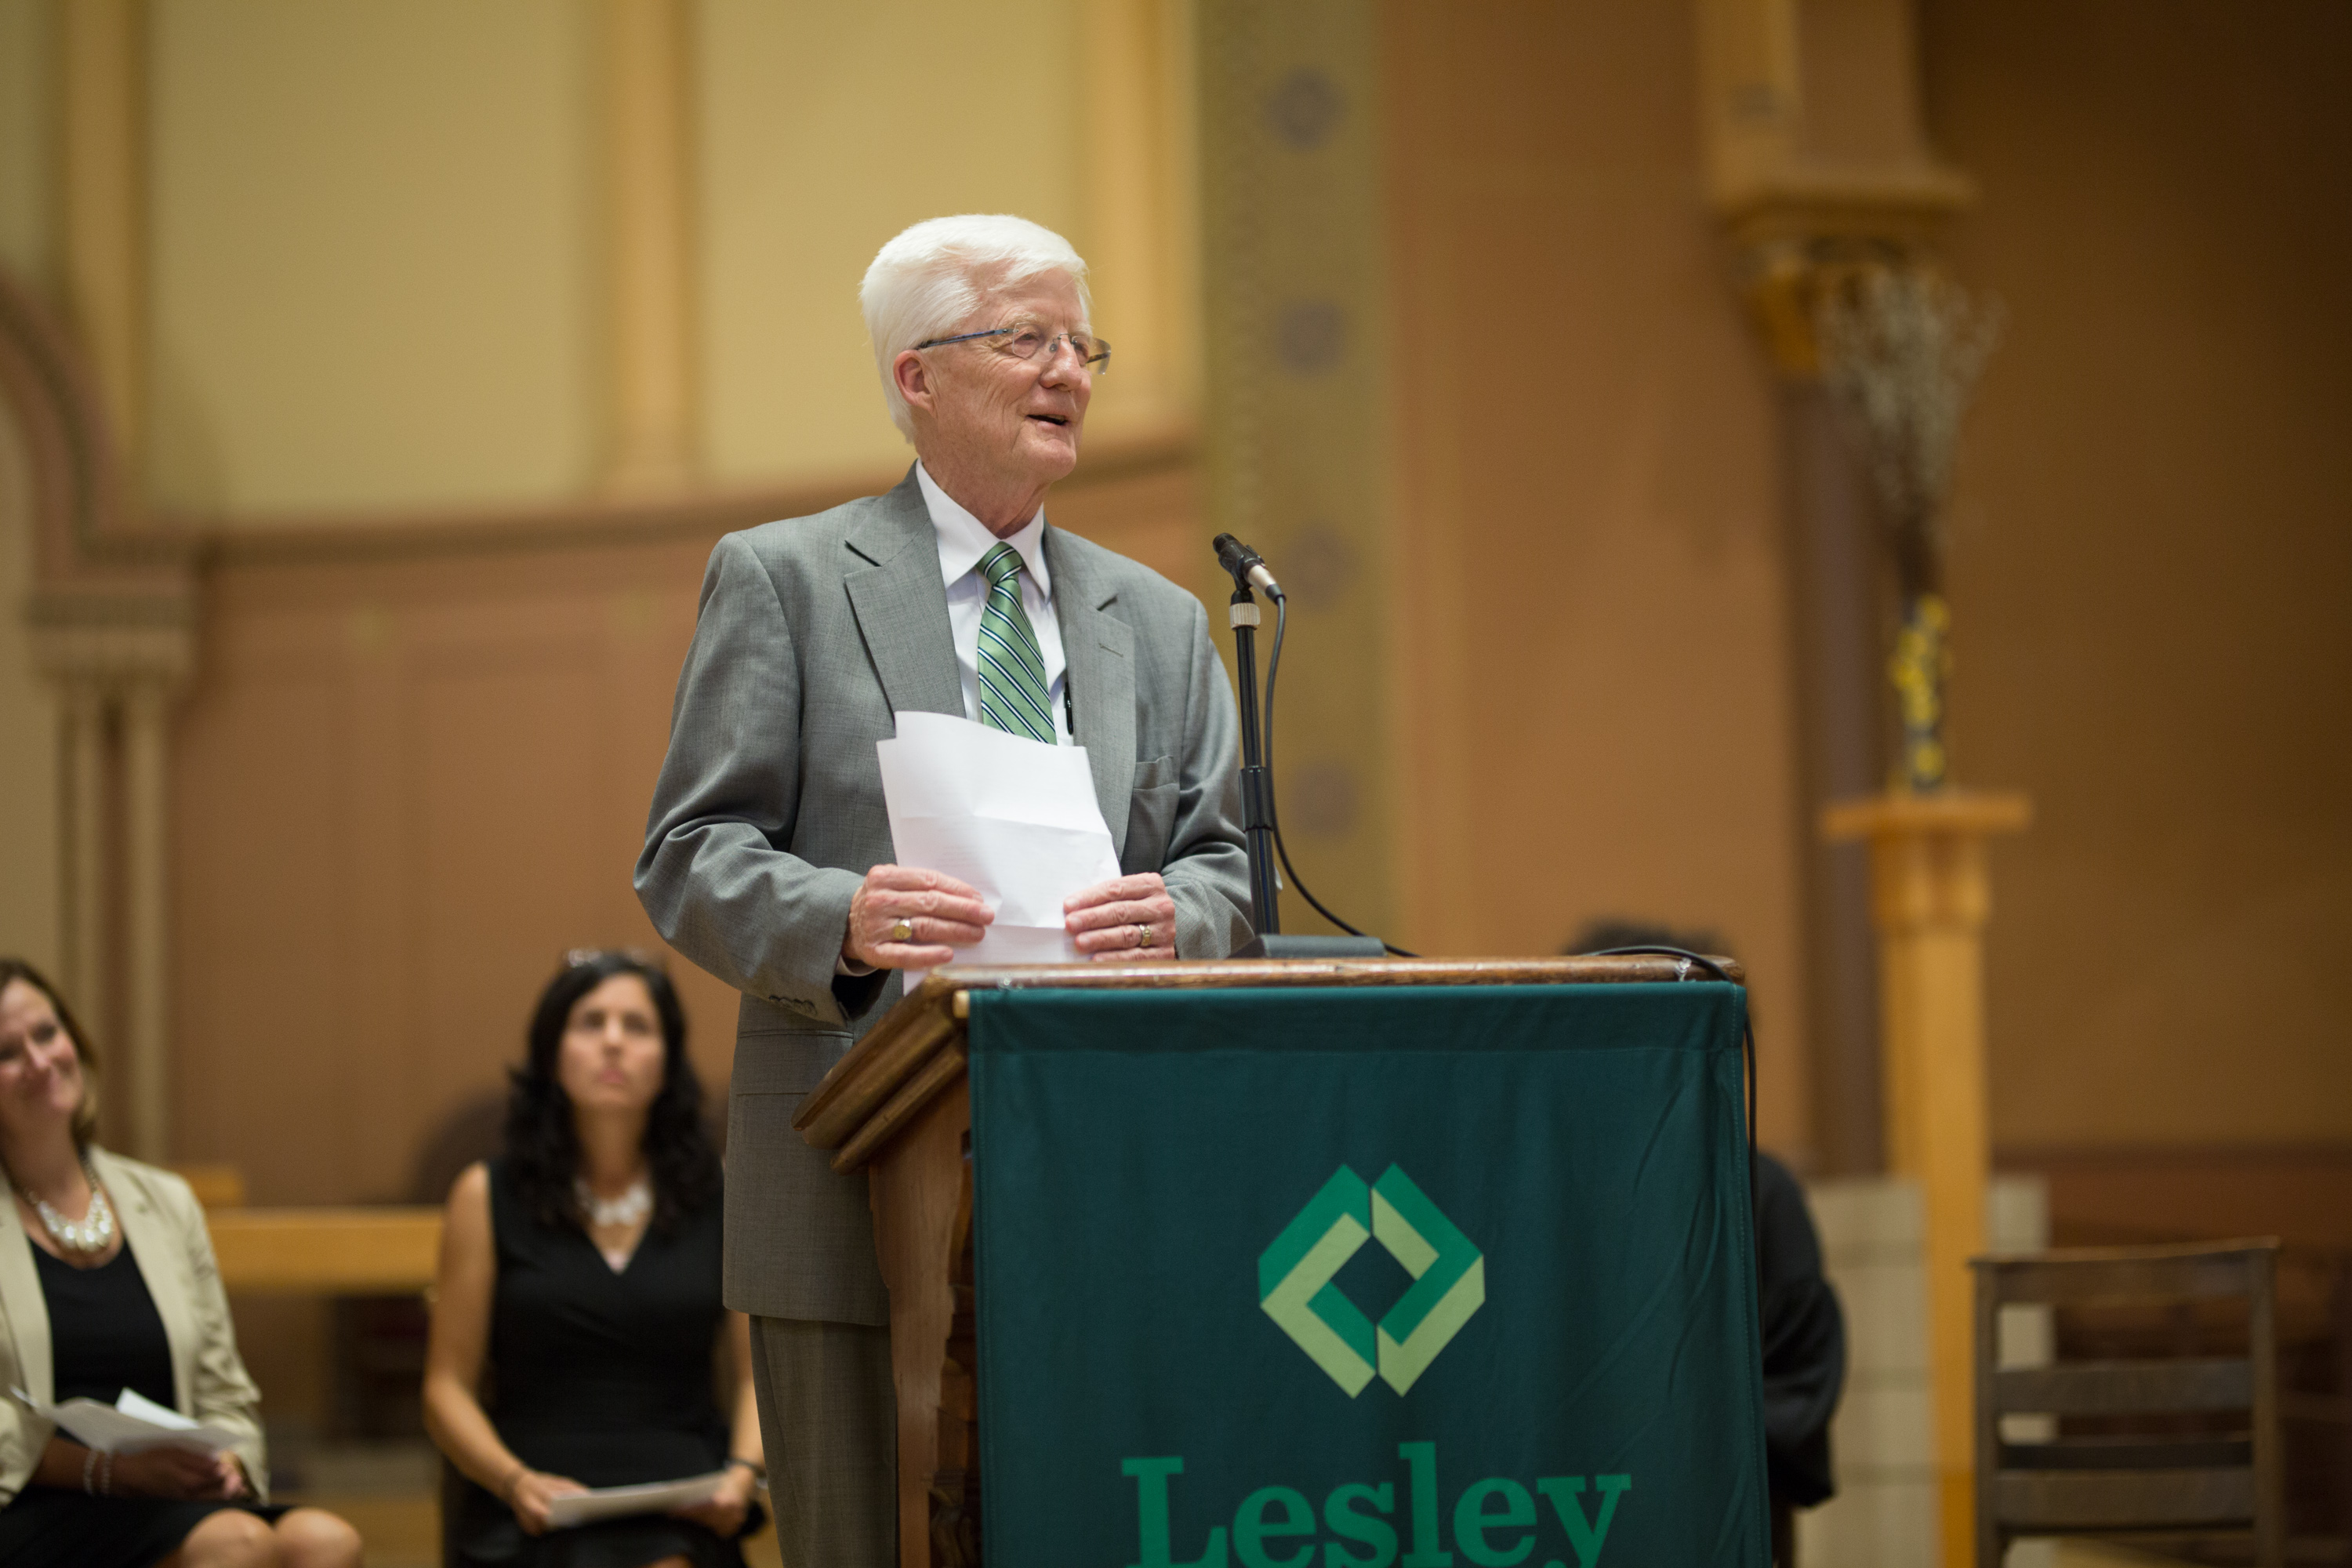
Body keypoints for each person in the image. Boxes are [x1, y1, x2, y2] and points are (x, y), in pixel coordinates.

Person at [635, 212, 1252, 1566]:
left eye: (1082, 343)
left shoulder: (1158, 621)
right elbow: (688, 856)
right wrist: (839, 920)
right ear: (916, 377)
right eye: (1027, 339)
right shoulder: (785, 581)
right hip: (853, 1167)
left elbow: (1223, 861)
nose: (1071, 372)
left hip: (1111, 1173)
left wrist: (1187, 917)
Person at [0, 958, 363, 1568]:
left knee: (327, 1542)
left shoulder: (163, 1202)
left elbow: (225, 1391)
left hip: (167, 1495)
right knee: (235, 1546)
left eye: (46, 1033)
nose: (40, 1061)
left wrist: (230, 1465)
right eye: (8, 1052)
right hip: (35, 1501)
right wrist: (108, 1471)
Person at [423, 951, 765, 1568]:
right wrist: (513, 1480)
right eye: (590, 1023)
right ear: (552, 1053)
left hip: (684, 1497)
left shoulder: (721, 1194)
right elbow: (446, 1386)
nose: (613, 1042)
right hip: (535, 1495)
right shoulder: (485, 1195)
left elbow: (756, 1376)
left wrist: (742, 1474)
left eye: (637, 1026)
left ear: (667, 1060)